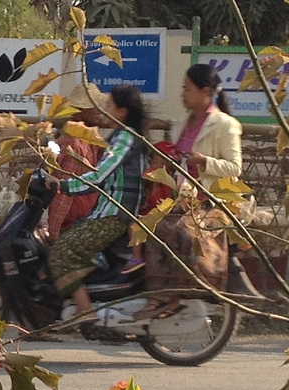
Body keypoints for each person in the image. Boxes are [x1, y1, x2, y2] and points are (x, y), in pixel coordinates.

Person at [133, 63, 243, 320]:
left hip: (210, 202)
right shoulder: (188, 121)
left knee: (169, 229)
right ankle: (157, 294)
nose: (183, 94)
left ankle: (169, 296)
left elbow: (235, 168)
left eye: (187, 89)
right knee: (146, 222)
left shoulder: (225, 125)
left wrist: (204, 161)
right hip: (183, 199)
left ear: (206, 91)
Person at [45, 85, 149, 323]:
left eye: (109, 105)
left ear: (122, 112)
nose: (103, 110)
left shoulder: (124, 137)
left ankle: (87, 314)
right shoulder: (109, 137)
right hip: (105, 212)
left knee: (60, 253)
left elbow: (99, 175)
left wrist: (62, 186)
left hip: (113, 215)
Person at [46, 83, 106, 242]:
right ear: (81, 111)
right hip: (72, 226)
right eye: (94, 106)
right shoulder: (74, 145)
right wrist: (54, 232)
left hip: (86, 221)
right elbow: (64, 194)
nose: (100, 110)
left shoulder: (91, 142)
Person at [121, 140, 178, 274]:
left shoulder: (168, 182)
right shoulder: (150, 178)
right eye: (154, 162)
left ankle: (137, 258)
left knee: (135, 225)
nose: (157, 167)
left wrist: (157, 185)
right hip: (148, 212)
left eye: (163, 164)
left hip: (162, 216)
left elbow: (161, 203)